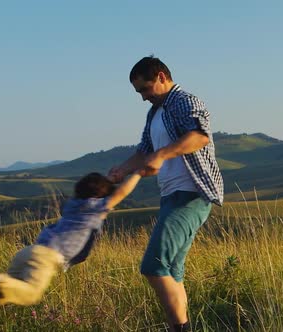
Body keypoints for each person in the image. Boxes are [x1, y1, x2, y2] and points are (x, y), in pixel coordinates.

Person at [108, 56, 224, 332]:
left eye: (146, 89)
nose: (143, 97)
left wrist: (162, 154)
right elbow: (144, 150)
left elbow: (200, 136)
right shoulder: (155, 112)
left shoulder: (184, 101)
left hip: (191, 193)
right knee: (172, 271)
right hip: (171, 195)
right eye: (139, 92)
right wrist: (121, 170)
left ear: (161, 77)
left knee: (153, 266)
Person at [0, 171, 143, 305]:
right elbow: (120, 193)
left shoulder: (76, 204)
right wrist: (139, 172)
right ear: (100, 196)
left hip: (28, 252)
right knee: (30, 296)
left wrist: (110, 178)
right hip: (46, 257)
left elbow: (98, 188)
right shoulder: (95, 208)